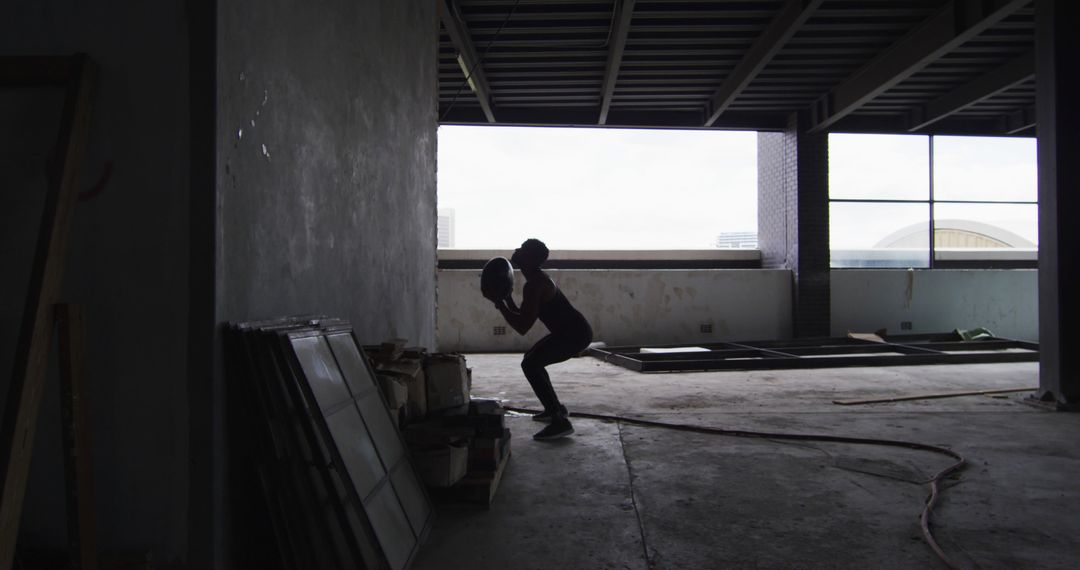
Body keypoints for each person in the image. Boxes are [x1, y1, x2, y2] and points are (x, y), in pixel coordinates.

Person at [487, 239, 592, 440]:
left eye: (523, 250)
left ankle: (560, 422)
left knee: (531, 364)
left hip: (575, 335)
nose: (517, 250)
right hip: (568, 332)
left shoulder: (535, 285)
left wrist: (499, 303)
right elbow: (524, 316)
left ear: (532, 259)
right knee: (531, 359)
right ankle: (556, 408)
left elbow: (522, 327)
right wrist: (507, 298)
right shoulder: (534, 281)